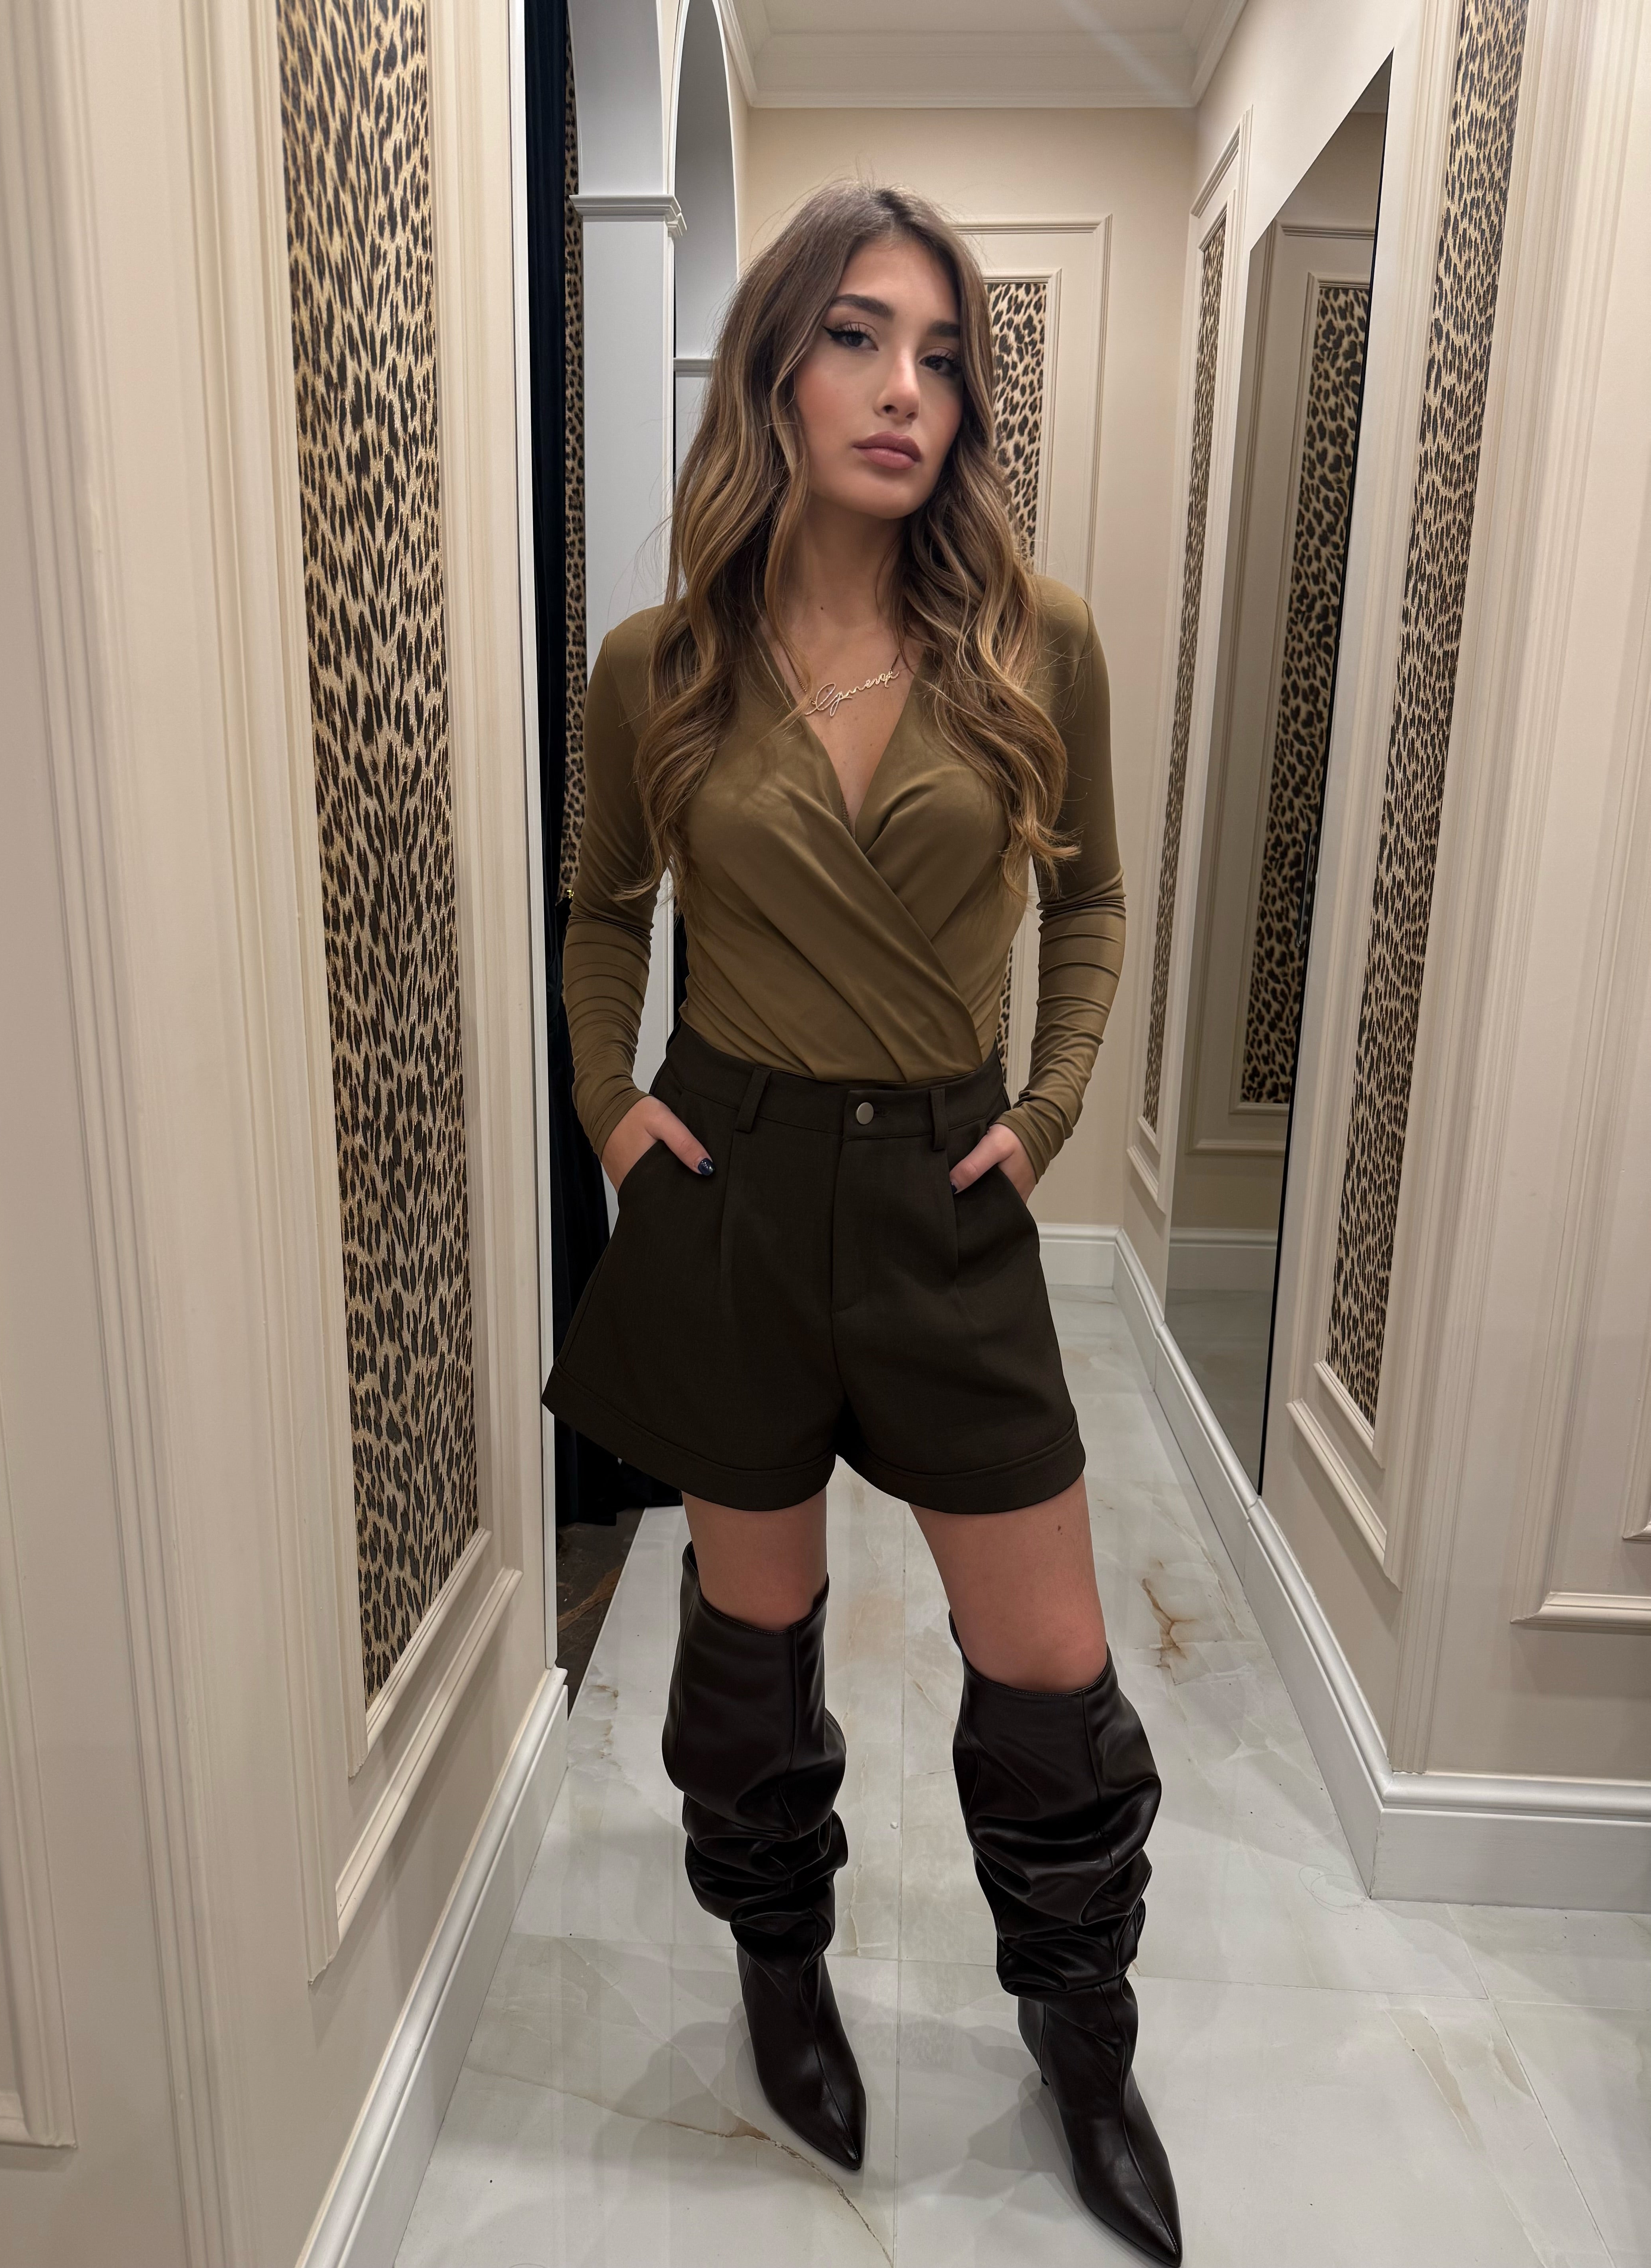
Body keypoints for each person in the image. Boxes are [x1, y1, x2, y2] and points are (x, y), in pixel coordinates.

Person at [542, 181, 1180, 2266]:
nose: (908, 389)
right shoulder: (661, 665)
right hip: (730, 1192)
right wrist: (612, 1110)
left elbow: (1091, 897)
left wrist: (1051, 1109)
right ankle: (781, 1965)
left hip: (944, 1193)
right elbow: (600, 910)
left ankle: (1083, 2038)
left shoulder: (1035, 641)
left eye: (943, 355)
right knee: (755, 1646)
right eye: (858, 338)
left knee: (1052, 1670)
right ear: (776, 367)